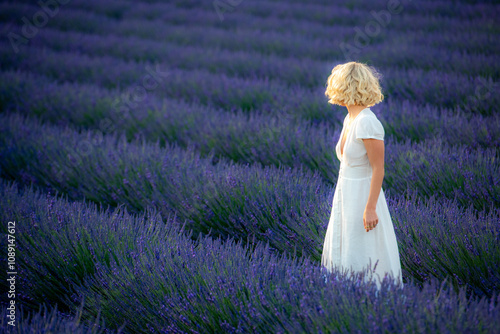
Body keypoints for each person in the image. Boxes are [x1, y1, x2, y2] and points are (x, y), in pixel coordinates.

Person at [321, 61, 403, 290]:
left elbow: (378, 168)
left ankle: (371, 301)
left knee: (363, 251)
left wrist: (370, 208)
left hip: (362, 196)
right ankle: (343, 298)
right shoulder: (350, 119)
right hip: (346, 194)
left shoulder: (367, 122)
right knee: (345, 248)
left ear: (345, 87)